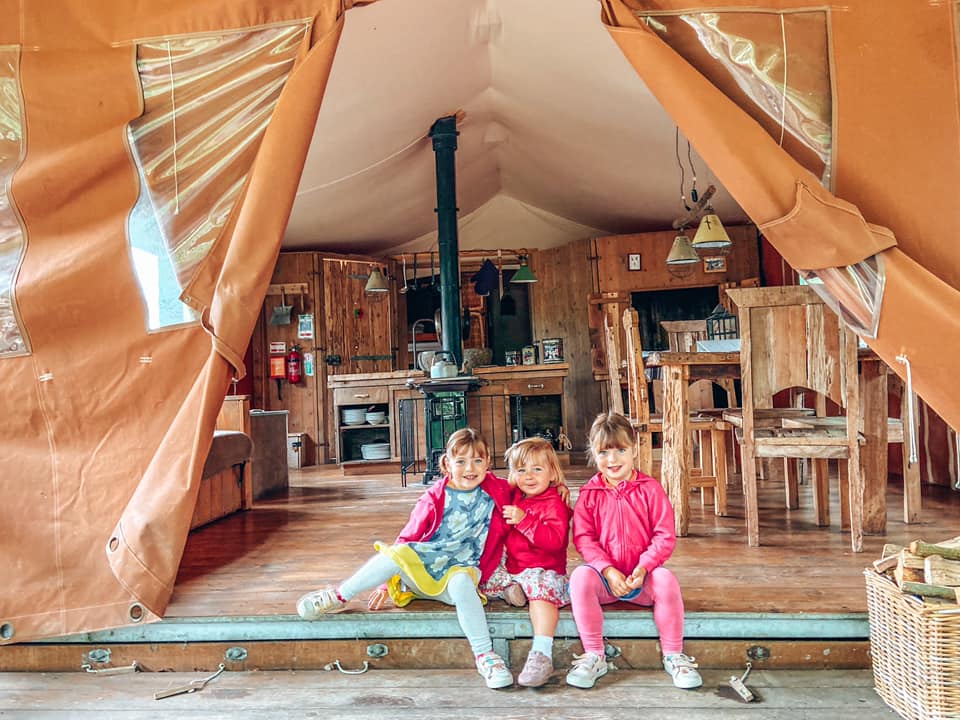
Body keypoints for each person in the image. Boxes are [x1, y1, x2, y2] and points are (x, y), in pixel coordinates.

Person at [296, 427, 516, 689]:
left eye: (478, 460)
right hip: (422, 572)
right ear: (447, 463)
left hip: (458, 575)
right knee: (398, 552)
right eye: (461, 461)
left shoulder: (498, 491)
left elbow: (531, 489)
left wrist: (557, 488)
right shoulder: (434, 498)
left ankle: (485, 656)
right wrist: (383, 583)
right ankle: (338, 596)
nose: (470, 468)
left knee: (463, 582)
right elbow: (405, 538)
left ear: (488, 462)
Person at [565, 412, 702, 690]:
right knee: (580, 578)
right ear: (593, 451)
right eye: (604, 452)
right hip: (605, 580)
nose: (613, 460)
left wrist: (644, 568)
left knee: (667, 580)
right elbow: (584, 538)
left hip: (642, 580)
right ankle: (594, 654)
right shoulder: (589, 494)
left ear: (635, 448)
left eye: (621, 450)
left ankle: (674, 655)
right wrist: (607, 570)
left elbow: (664, 536)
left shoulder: (650, 489)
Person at [480, 437, 572, 688]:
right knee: (484, 575)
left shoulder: (555, 503)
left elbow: (555, 542)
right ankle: (512, 592)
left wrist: (524, 520)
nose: (529, 476)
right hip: (515, 569)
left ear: (552, 474)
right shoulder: (516, 492)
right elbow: (491, 482)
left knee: (540, 596)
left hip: (544, 571)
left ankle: (541, 653)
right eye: (521, 470)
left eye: (537, 469)